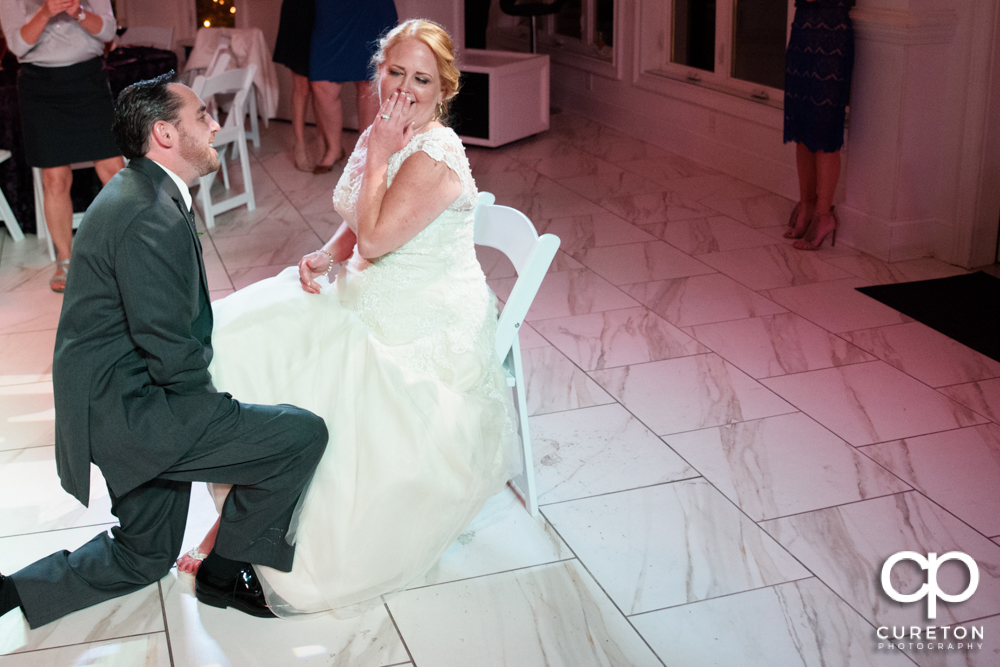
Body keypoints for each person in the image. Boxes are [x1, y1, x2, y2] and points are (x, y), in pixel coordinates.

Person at [178, 19, 520, 616]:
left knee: (331, 372)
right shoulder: (386, 129)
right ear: (378, 73)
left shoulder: (433, 150)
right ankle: (241, 518)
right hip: (375, 283)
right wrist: (324, 252)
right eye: (394, 72)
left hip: (428, 312)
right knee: (251, 332)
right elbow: (358, 225)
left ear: (444, 88)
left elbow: (380, 237)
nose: (405, 87)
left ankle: (246, 536)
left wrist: (382, 156)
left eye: (421, 78)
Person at [0, 72, 328, 628]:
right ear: (165, 134)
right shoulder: (145, 213)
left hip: (118, 399)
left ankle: (8, 594)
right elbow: (169, 347)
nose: (215, 124)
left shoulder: (143, 190)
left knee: (145, 555)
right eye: (202, 115)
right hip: (133, 411)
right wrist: (218, 415)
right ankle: (226, 572)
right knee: (300, 434)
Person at [0, 0, 126, 291]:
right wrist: (46, 11)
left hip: (89, 80)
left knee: (115, 170)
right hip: (40, 88)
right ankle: (66, 260)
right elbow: (18, 46)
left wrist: (78, 12)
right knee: (54, 179)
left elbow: (108, 32)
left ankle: (126, 250)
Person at [782, 0, 854, 250]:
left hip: (832, 32)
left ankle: (824, 215)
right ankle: (807, 205)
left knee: (824, 130)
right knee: (802, 130)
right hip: (803, 27)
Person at [308, 0, 397, 174]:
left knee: (368, 81)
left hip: (370, 8)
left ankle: (365, 154)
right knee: (322, 83)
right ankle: (334, 149)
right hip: (333, 7)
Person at [272, 0, 318, 172]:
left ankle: (324, 141)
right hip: (299, 12)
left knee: (321, 86)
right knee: (302, 85)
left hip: (325, 12)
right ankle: (299, 145)